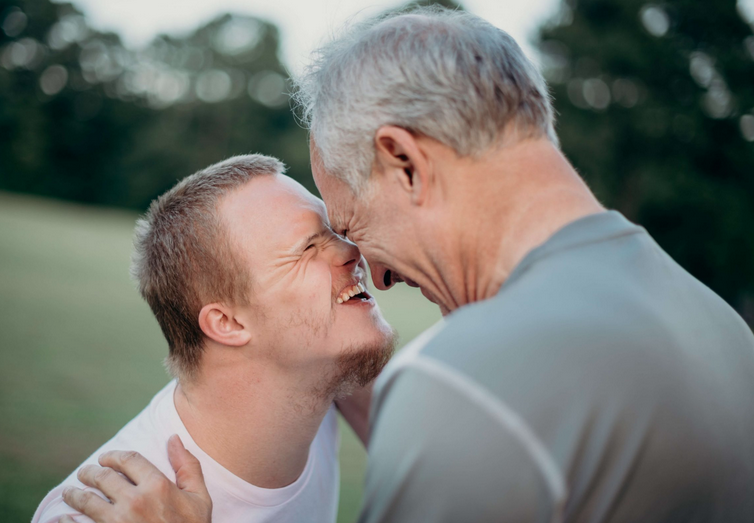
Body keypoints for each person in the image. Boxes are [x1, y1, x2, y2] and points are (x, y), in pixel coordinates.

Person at [63, 6, 754, 523]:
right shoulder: (716, 324)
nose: (376, 273)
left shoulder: (468, 387)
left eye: (350, 221)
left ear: (405, 162)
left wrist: (435, 398)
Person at [34, 154, 395, 523]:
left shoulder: (326, 375)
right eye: (307, 248)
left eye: (337, 232)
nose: (352, 251)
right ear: (227, 322)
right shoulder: (101, 512)